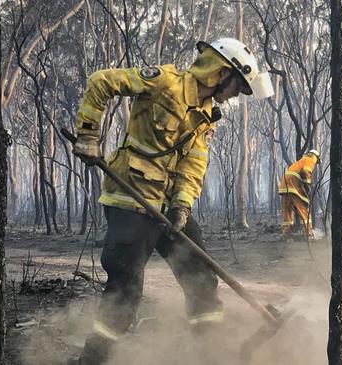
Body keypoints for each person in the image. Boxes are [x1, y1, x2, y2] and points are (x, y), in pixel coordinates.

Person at [69, 38, 273, 365]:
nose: (236, 95)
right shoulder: (163, 81)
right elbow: (101, 81)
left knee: (201, 277)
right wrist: (89, 135)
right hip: (129, 199)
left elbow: (193, 166)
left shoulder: (206, 118)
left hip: (166, 207)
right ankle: (92, 360)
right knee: (126, 288)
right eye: (238, 86)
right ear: (221, 72)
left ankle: (211, 353)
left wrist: (182, 206)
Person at [278, 149, 320, 239]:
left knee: (287, 209)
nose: (316, 164)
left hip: (284, 183)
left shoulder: (301, 161)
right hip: (293, 183)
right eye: (317, 161)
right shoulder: (310, 159)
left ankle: (286, 233)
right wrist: (308, 186)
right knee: (302, 208)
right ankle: (309, 233)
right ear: (315, 156)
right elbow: (306, 171)